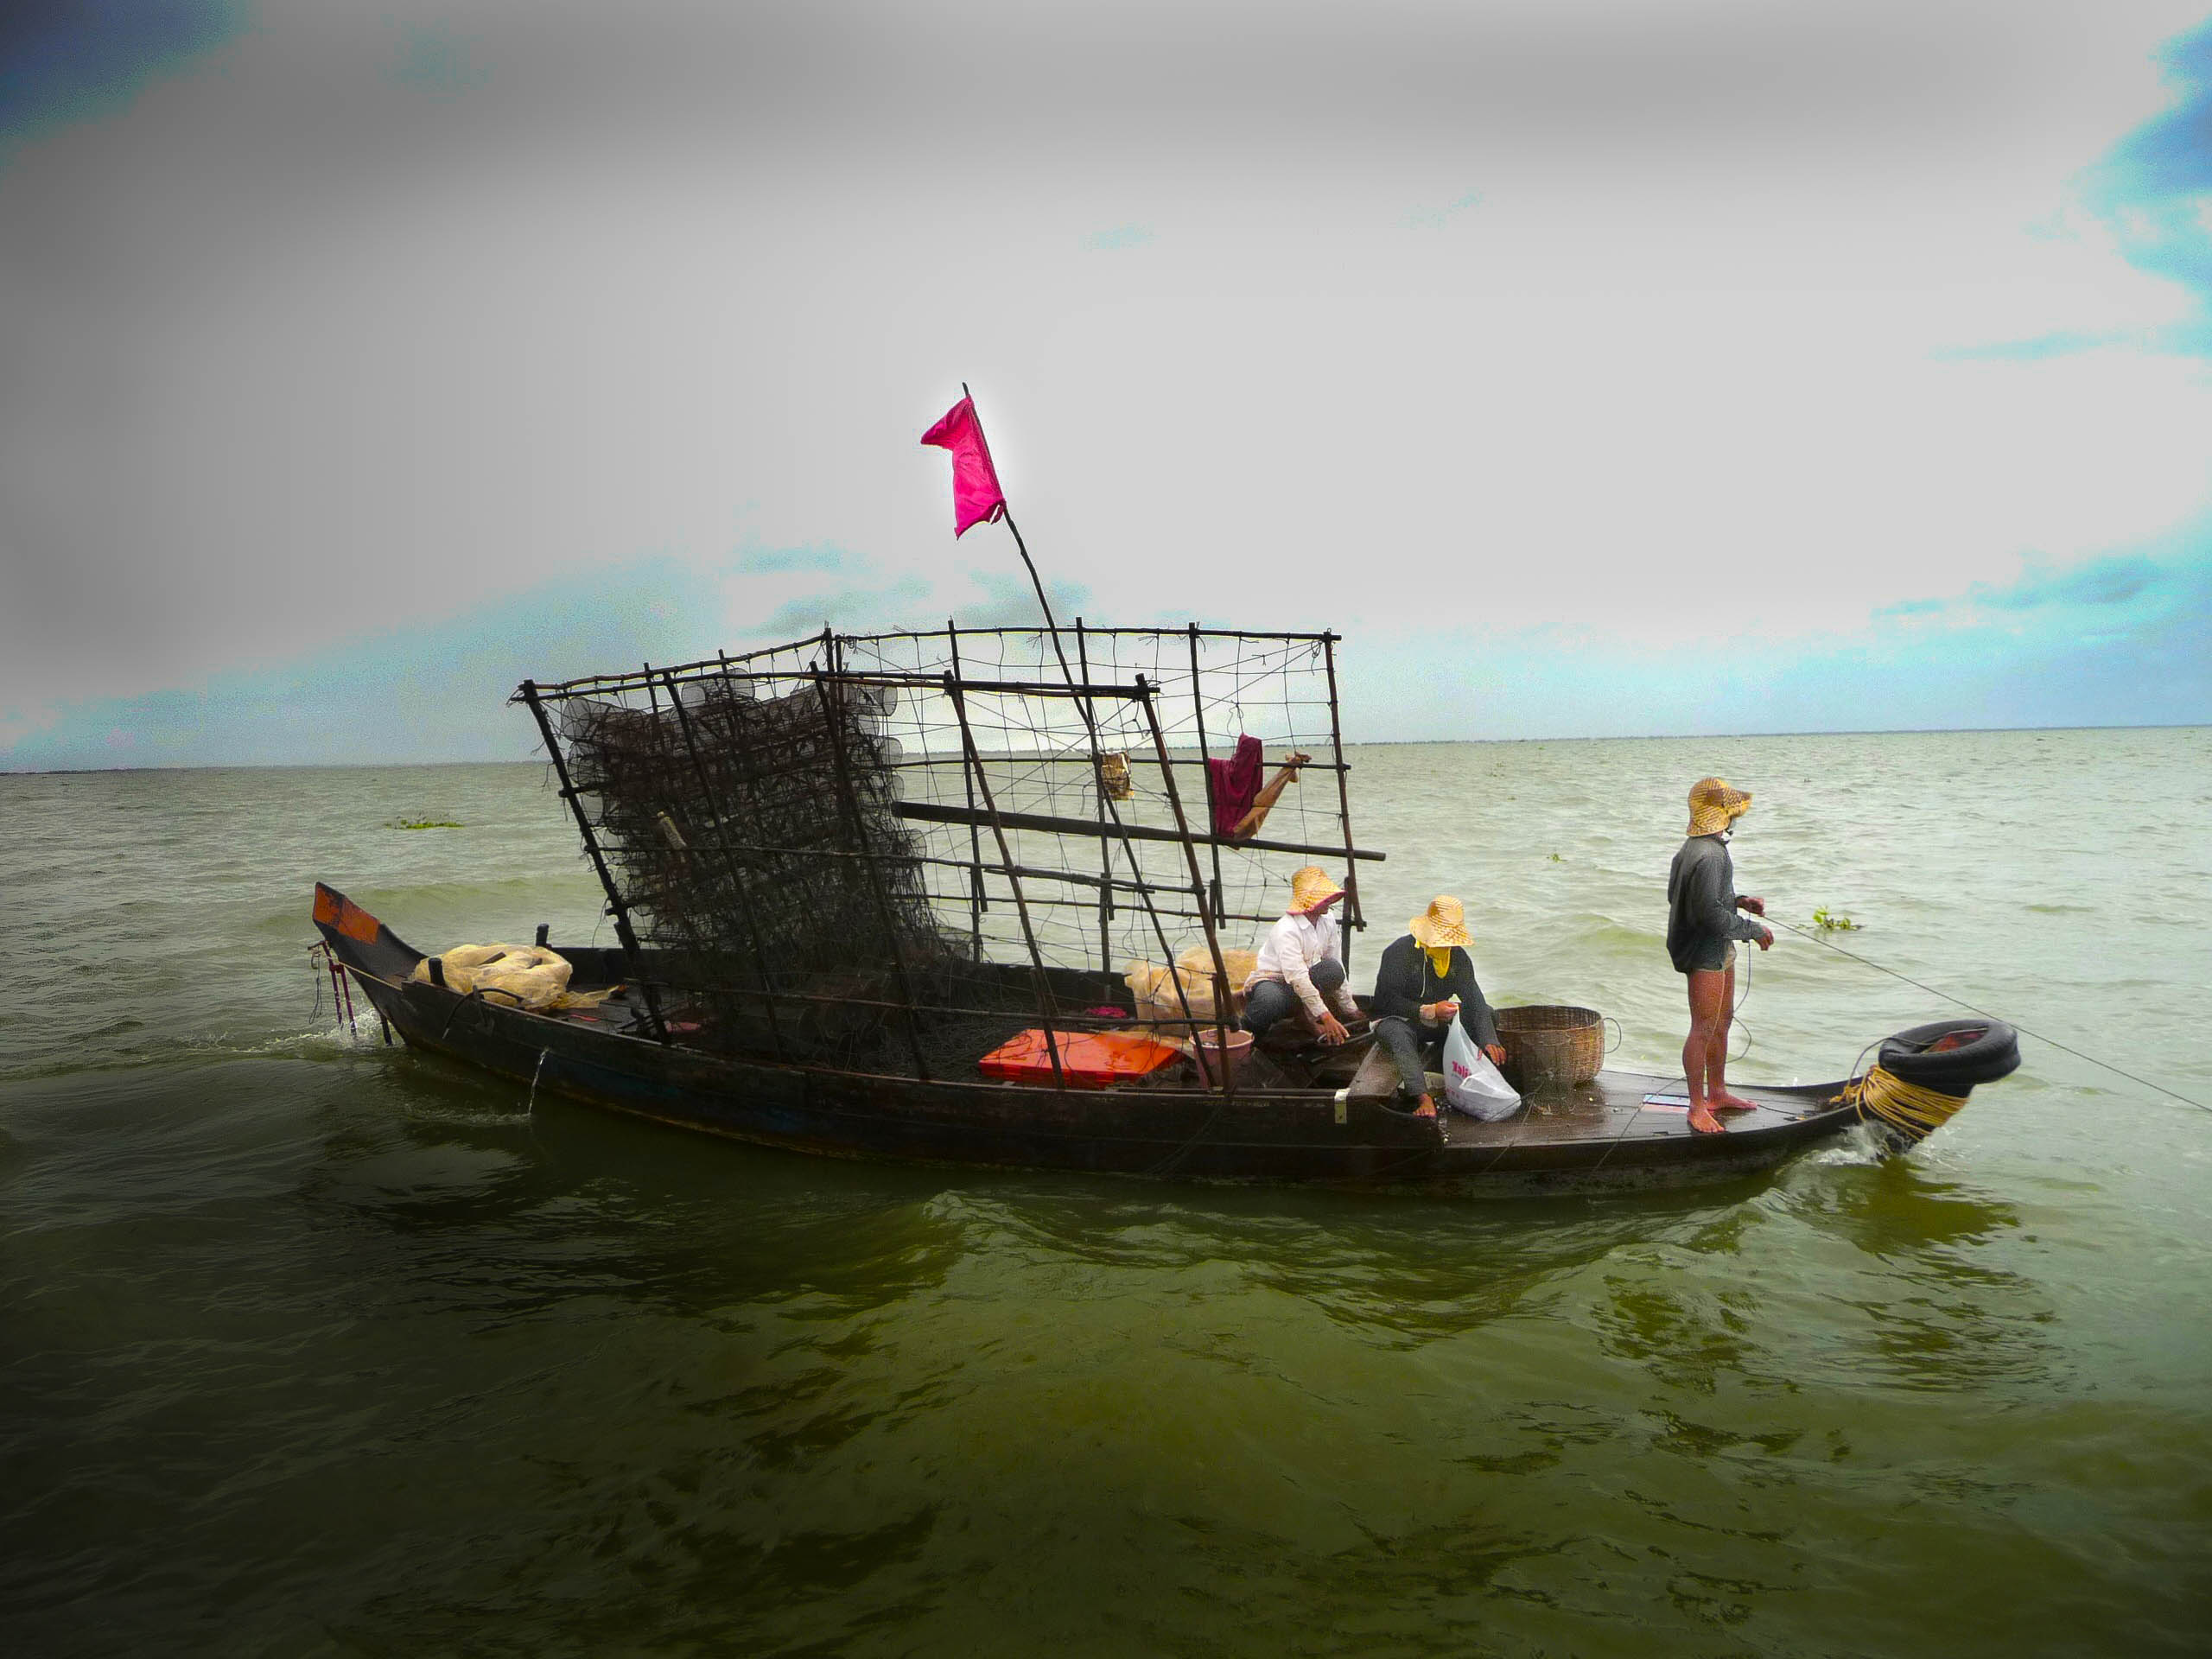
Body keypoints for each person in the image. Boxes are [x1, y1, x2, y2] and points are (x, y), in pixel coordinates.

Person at [1667, 776, 1774, 1135]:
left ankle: (1718, 1092)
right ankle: (1697, 1107)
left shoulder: (1692, 848)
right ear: (1723, 817)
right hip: (1704, 950)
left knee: (1722, 1021)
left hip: (1714, 946)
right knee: (1703, 1028)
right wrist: (1752, 929)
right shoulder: (1710, 855)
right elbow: (1708, 916)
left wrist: (1739, 901)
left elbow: (1693, 899)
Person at [1369, 896, 1506, 1118]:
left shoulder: (1458, 957)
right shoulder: (1398, 953)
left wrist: (1489, 1039)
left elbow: (1474, 998)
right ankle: (1422, 1096)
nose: (1448, 945)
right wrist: (1429, 1010)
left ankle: (1447, 1062)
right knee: (1398, 1034)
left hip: (1435, 1020)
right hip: (1397, 1020)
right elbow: (1385, 1002)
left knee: (1489, 1015)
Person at [1240, 866, 1363, 1046]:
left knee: (1333, 970)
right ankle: (1247, 1035)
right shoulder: (1287, 930)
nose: (1329, 900)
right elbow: (1297, 978)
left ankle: (1304, 1018)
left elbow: (1334, 960)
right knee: (1271, 1001)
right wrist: (1326, 1016)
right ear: (1307, 901)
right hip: (1274, 982)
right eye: (1323, 897)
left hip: (1305, 978)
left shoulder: (1327, 920)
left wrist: (1350, 1008)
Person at [1206, 735, 1313, 842]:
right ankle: (1291, 766)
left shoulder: (1230, 767)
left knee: (1267, 797)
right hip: (1238, 827)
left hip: (1239, 824)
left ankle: (1291, 766)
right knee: (1267, 797)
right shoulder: (1231, 768)